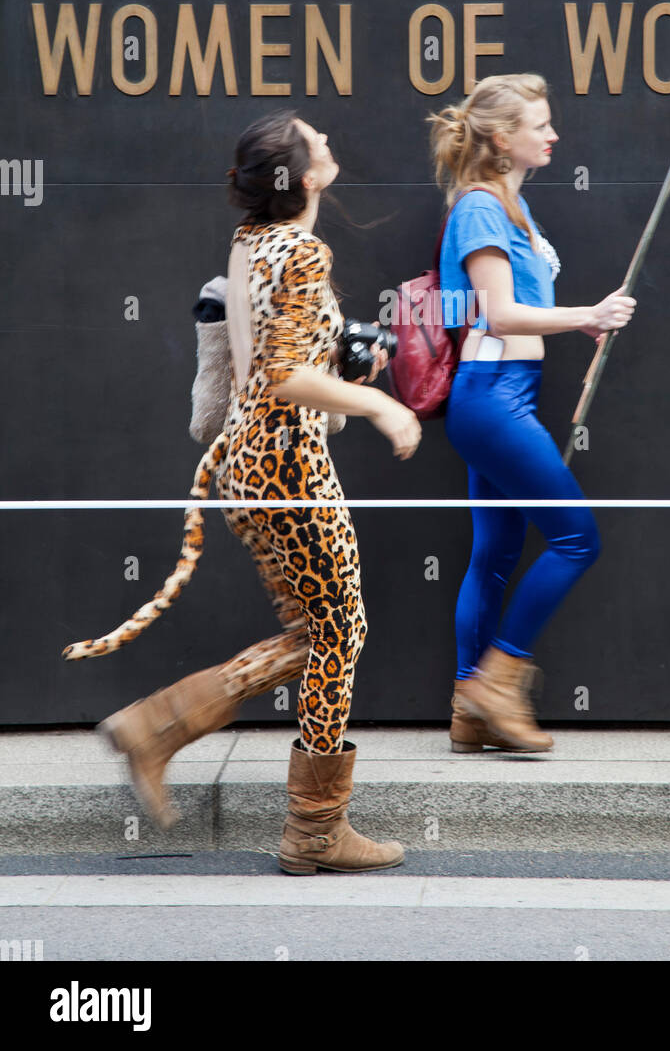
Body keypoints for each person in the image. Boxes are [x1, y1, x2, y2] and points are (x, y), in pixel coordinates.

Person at [62, 108, 421, 874]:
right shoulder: (303, 252)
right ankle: (313, 830)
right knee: (340, 634)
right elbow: (284, 378)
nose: (328, 138)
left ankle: (159, 728)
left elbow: (266, 353)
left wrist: (346, 360)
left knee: (321, 634)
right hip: (288, 468)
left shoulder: (250, 242)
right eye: (317, 139)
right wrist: (384, 404)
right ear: (309, 176)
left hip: (245, 468)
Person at [428, 73, 636, 752]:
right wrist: (588, 315)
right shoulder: (483, 207)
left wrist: (580, 324)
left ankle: (467, 705)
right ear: (500, 137)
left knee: (496, 552)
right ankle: (498, 680)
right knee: (577, 539)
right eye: (539, 124)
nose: (553, 134)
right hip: (492, 399)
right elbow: (498, 313)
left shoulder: (514, 207)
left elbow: (517, 312)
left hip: (502, 395)